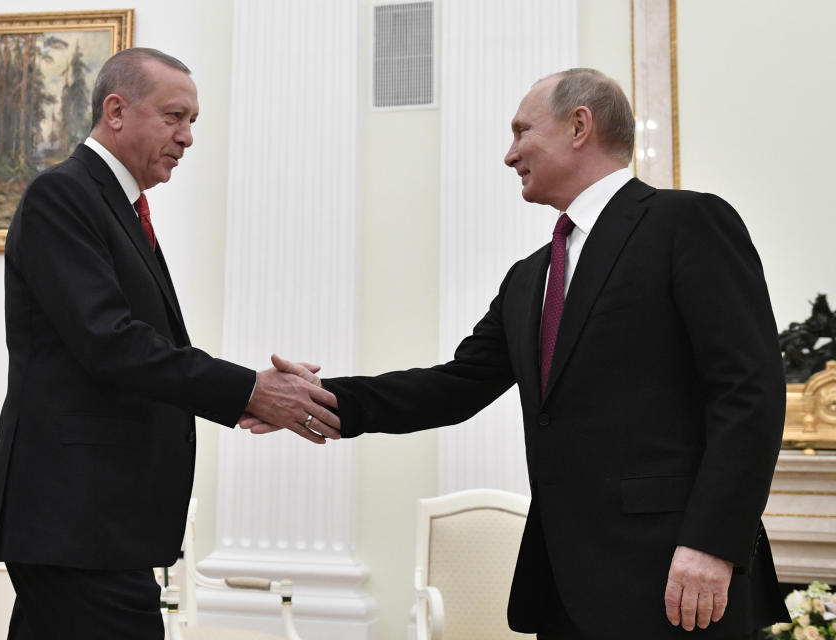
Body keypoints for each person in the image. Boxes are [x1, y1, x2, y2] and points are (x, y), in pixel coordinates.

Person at [246, 68, 789, 638]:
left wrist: (711, 543)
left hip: (676, 576)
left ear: (580, 125)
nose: (510, 155)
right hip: (562, 585)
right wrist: (316, 400)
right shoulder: (531, 277)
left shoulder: (687, 222)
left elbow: (748, 393)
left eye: (522, 131)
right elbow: (454, 386)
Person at [0, 47, 339, 639]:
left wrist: (251, 391)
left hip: (100, 525)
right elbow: (112, 344)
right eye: (174, 117)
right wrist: (249, 390)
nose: (188, 137)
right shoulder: (63, 196)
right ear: (116, 111)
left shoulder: (117, 206)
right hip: (77, 521)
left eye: (193, 121)